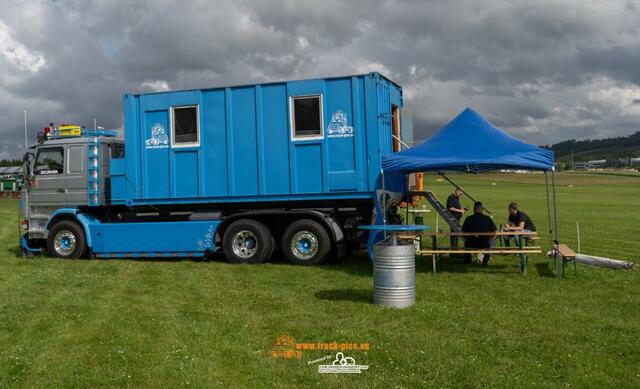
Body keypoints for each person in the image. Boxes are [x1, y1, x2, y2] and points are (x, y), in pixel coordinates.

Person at [462, 202, 497, 266]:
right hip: (484, 243)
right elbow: (494, 231)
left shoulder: (468, 218)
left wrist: (467, 238)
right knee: (491, 242)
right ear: (482, 210)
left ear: (474, 210)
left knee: (466, 242)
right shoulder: (488, 219)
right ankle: (485, 262)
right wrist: (490, 238)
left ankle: (468, 261)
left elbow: (463, 232)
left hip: (471, 243)